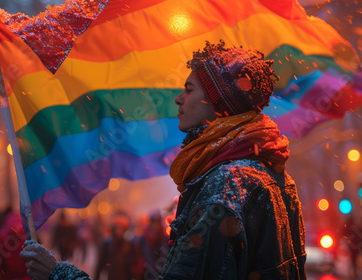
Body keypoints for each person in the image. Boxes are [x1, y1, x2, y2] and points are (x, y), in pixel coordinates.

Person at [20, 40, 306, 279]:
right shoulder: (271, 173)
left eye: (190, 89)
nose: (178, 99)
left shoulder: (225, 185)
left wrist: (58, 274)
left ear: (218, 102)